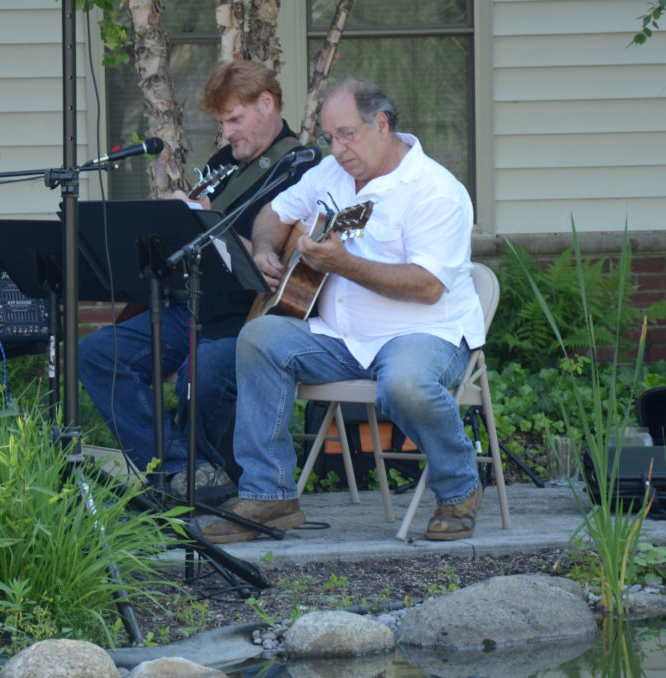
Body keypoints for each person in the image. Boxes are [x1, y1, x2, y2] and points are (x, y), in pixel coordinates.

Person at [195, 77, 487, 543]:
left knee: (405, 383)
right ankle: (270, 495)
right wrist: (266, 250)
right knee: (259, 338)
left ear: (383, 124)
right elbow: (273, 213)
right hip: (340, 338)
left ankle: (459, 489)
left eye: (348, 134)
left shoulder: (435, 190)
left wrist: (345, 264)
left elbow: (429, 287)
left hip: (423, 333)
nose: (338, 148)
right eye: (330, 137)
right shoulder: (331, 174)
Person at [79, 60, 318, 496]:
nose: (226, 133)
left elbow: (284, 260)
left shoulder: (301, 168)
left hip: (249, 317)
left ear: (267, 104)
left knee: (201, 370)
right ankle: (180, 469)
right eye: (221, 122)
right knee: (99, 353)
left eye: (234, 120)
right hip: (192, 305)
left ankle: (196, 478)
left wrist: (205, 221)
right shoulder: (227, 161)